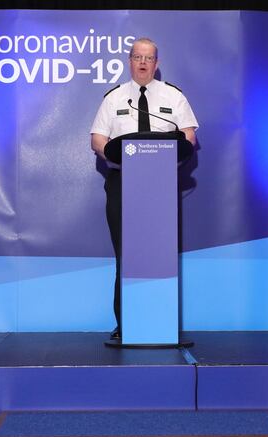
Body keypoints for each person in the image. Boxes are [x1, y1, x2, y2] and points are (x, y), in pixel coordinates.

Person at [90, 37, 199, 340]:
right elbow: (97, 139)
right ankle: (125, 324)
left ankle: (161, 323)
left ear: (156, 63)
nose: (142, 62)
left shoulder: (173, 96)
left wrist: (177, 147)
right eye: (137, 56)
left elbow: (188, 136)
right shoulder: (114, 98)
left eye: (148, 58)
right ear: (129, 60)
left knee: (159, 253)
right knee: (126, 253)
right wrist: (110, 151)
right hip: (122, 181)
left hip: (161, 184)